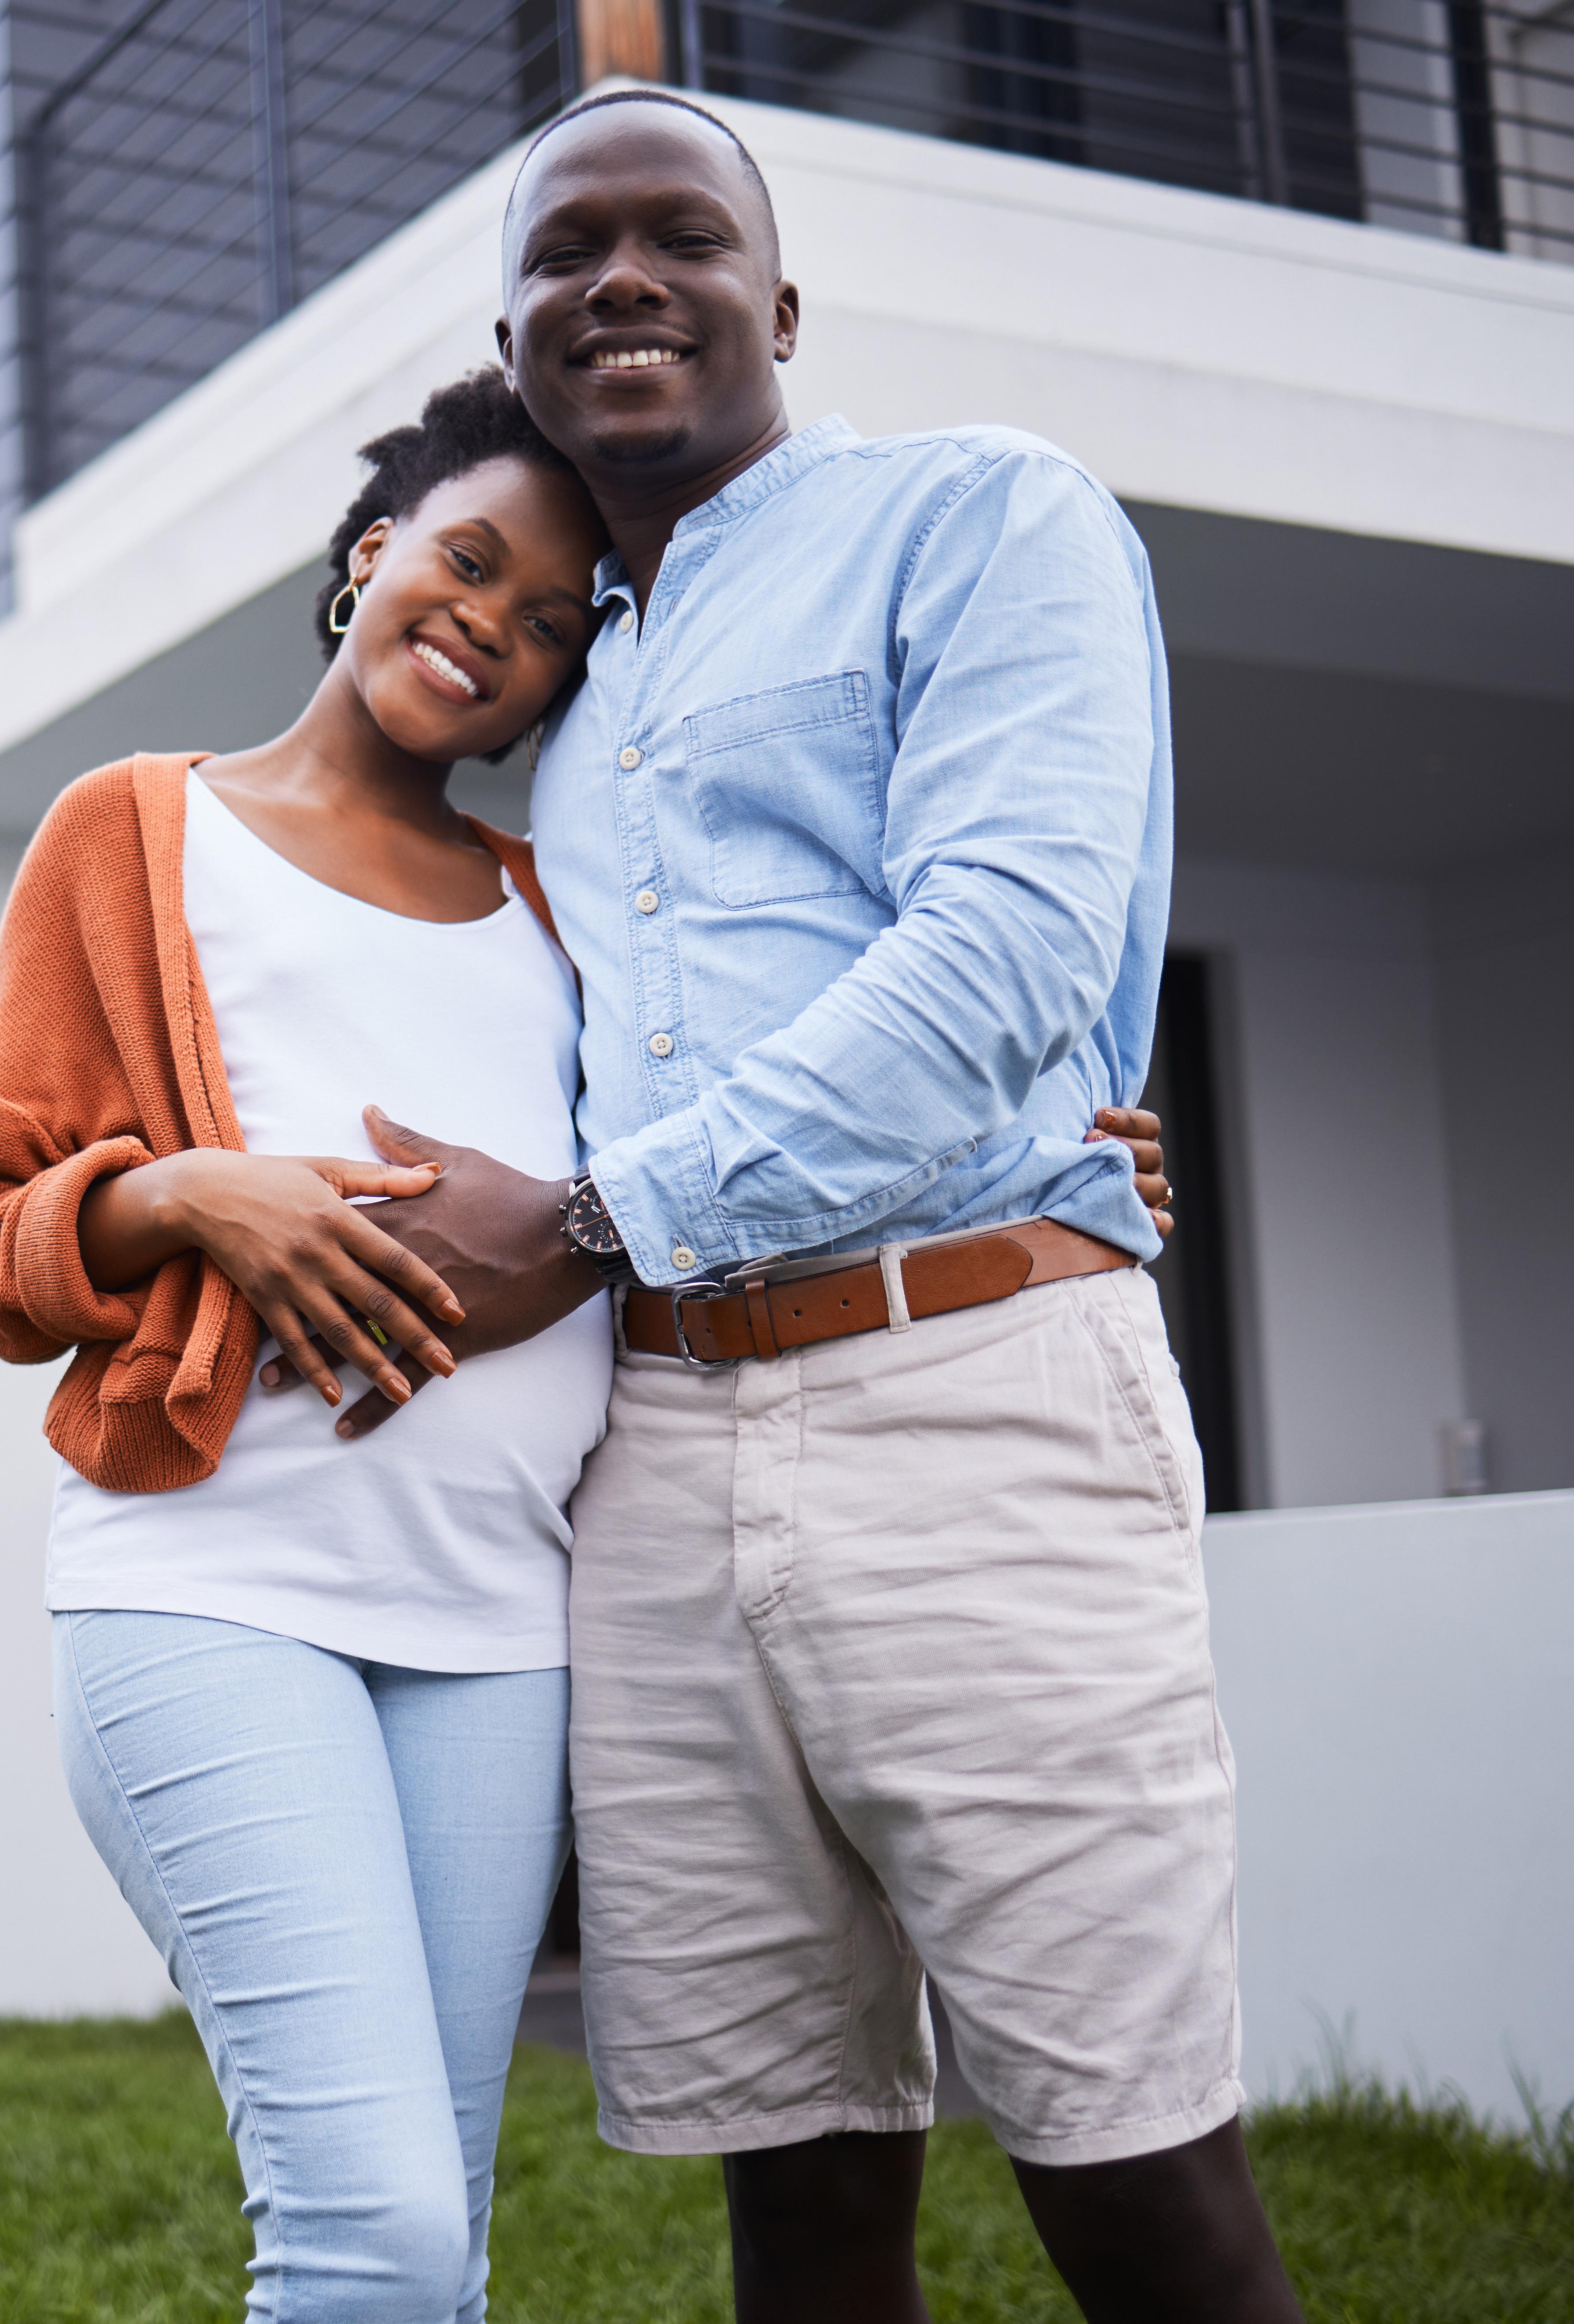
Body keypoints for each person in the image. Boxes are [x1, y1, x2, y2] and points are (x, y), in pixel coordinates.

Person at [320, 87, 1303, 2324]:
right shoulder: (561, 697)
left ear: (781, 298)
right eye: (569, 255)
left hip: (971, 1398)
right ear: (518, 327)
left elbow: (1007, 960)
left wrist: (584, 1217)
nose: (623, 279)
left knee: (1128, 2158)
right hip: (650, 1473)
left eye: (677, 235)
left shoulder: (980, 516)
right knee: (796, 2171)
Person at [0, 372, 609, 2324]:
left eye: (552, 619)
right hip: (221, 1594)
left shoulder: (560, 917)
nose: (492, 621)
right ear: (368, 554)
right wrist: (185, 1195)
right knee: (370, 2235)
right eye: (469, 560)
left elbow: (709, 1179)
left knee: (434, 2245)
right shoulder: (137, 831)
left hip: (497, 1629)